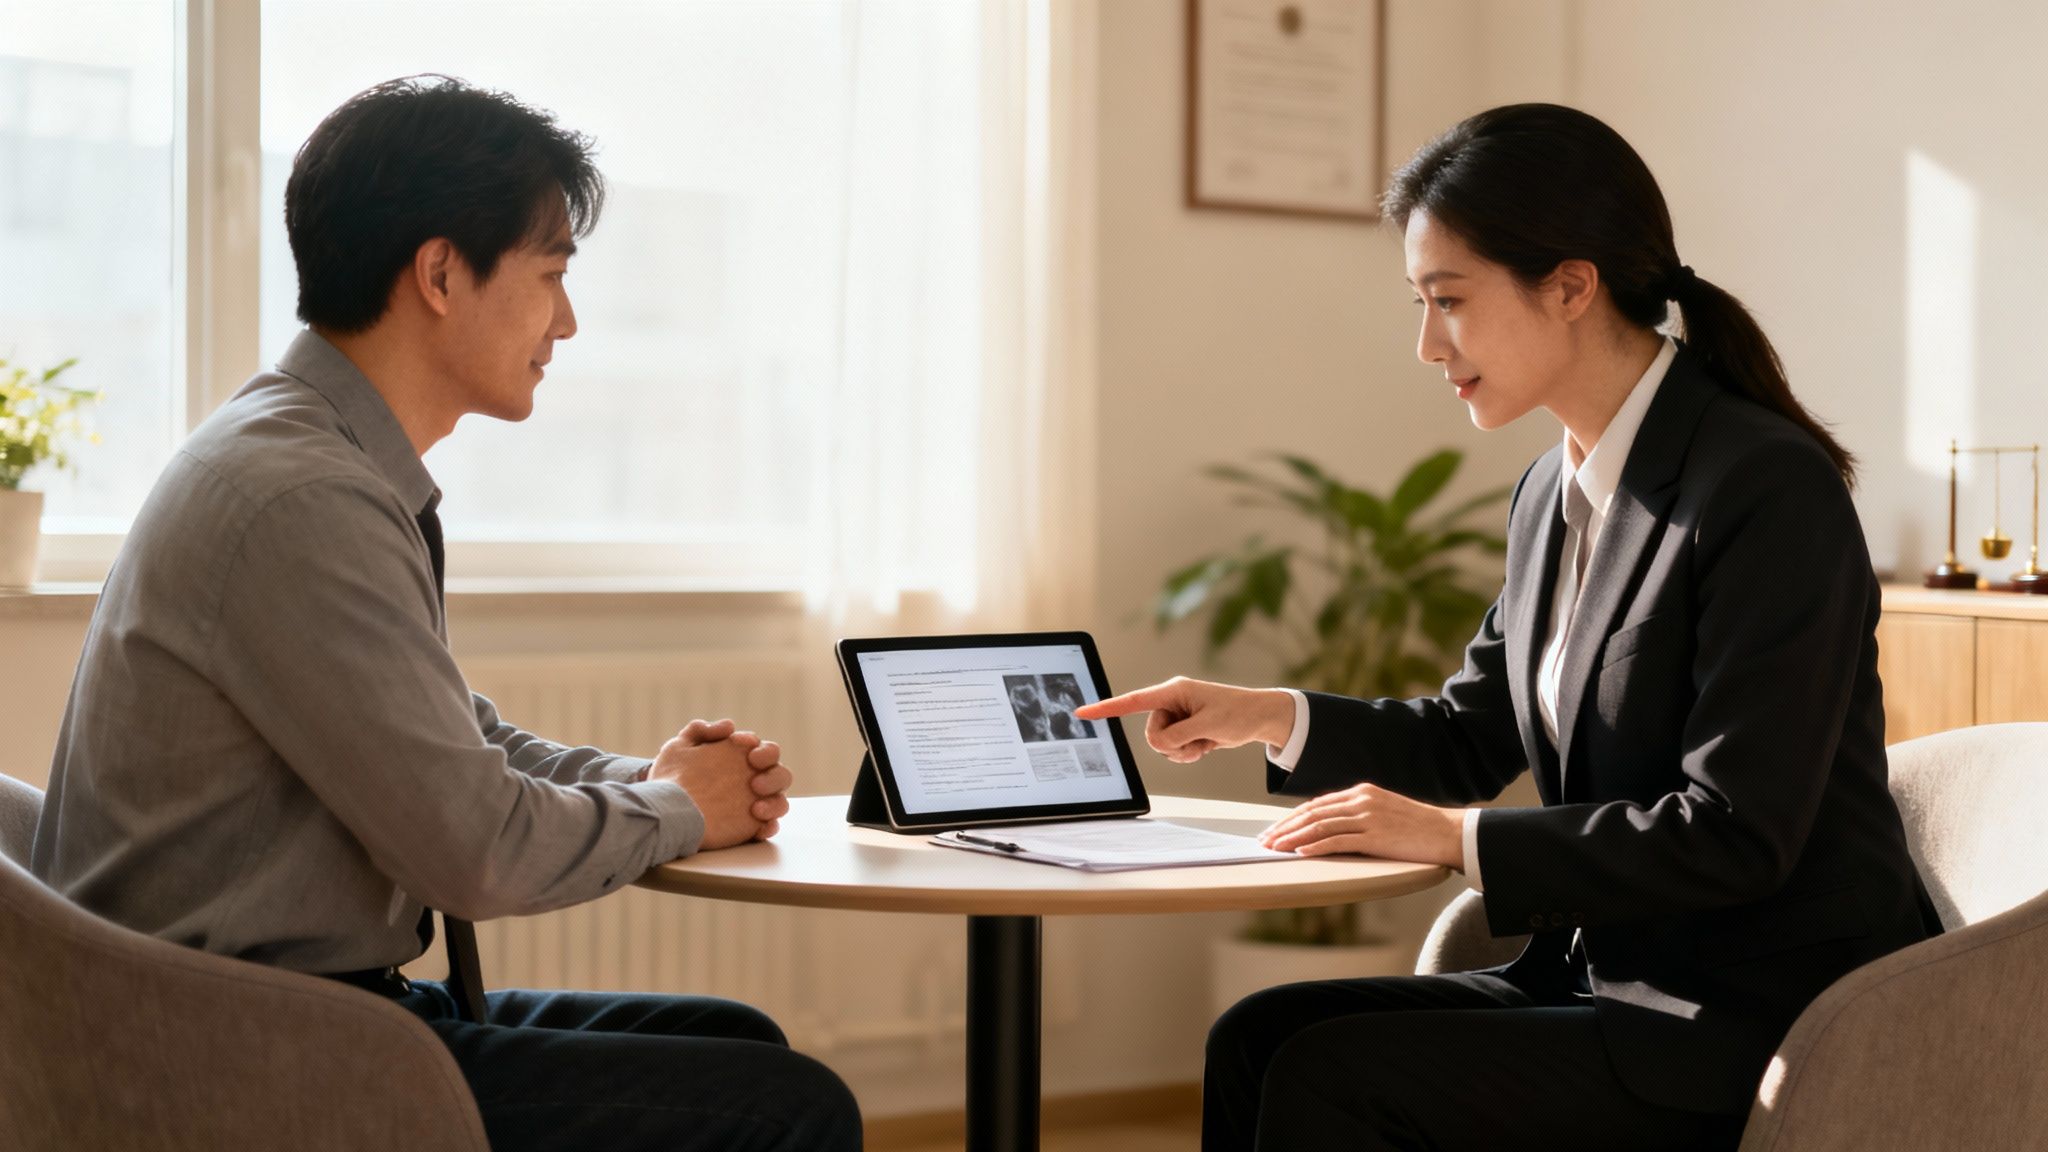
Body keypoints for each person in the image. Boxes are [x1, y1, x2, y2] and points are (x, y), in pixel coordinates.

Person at [1076, 103, 1940, 1152]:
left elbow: (1736, 832)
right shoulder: (1551, 490)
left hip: (1747, 1022)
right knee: (1259, 1036)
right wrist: (1270, 717)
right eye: (1418, 302)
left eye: (1447, 300)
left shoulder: (1759, 486)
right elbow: (1465, 737)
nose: (1424, 343)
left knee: (1332, 1075)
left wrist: (1451, 840)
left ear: (1569, 285)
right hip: (1607, 984)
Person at [30, 76, 861, 1151]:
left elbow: (462, 740)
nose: (567, 320)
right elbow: (478, 852)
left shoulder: (306, 458)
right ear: (438, 273)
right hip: (240, 1051)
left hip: (271, 1009)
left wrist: (652, 784)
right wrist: (686, 811)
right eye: (551, 275)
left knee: (740, 1044)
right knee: (792, 1113)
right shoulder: (303, 497)